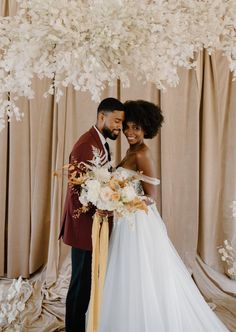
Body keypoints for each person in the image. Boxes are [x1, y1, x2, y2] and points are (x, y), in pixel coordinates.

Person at [98, 100, 229, 332]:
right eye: (127, 126)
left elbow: (151, 196)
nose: (130, 132)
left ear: (146, 129)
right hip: (126, 220)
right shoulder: (131, 150)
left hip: (138, 222)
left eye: (136, 128)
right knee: (127, 275)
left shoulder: (143, 154)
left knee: (141, 272)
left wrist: (125, 200)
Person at [59, 97, 125, 332]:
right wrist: (103, 202)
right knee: (80, 285)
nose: (120, 127)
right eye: (116, 121)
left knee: (87, 283)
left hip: (94, 226)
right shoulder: (85, 144)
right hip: (84, 228)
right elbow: (77, 190)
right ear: (101, 117)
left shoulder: (100, 142)